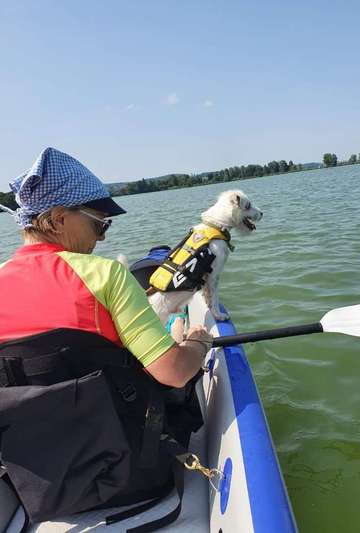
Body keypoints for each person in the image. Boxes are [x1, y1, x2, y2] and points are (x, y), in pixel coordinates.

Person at [0, 147, 213, 530]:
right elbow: (173, 373)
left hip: (44, 489)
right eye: (99, 223)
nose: (101, 237)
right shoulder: (105, 276)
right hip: (136, 476)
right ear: (58, 218)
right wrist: (198, 344)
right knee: (179, 348)